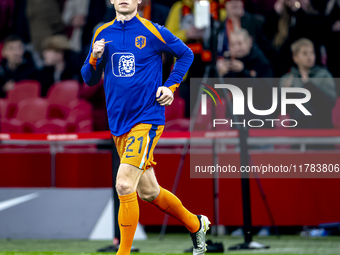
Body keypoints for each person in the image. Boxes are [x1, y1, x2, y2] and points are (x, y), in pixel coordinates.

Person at [81, 1, 210, 255]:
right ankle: (197, 225)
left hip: (146, 119)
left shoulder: (153, 30)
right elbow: (89, 78)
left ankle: (124, 253)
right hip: (119, 123)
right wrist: (95, 58)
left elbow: (186, 54)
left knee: (124, 185)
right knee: (149, 192)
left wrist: (170, 86)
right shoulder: (102, 33)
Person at [280, 38, 336, 128]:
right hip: (298, 131)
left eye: (312, 53)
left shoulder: (324, 76)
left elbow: (330, 102)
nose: (309, 57)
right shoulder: (288, 79)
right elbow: (282, 109)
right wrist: (287, 92)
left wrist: (309, 84)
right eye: (305, 53)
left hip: (322, 130)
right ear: (295, 57)